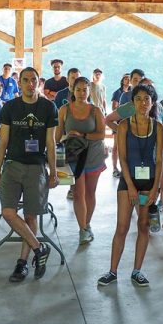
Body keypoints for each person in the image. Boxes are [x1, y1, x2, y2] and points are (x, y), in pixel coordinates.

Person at [0, 67, 58, 282]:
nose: (29, 84)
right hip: (12, 165)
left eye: (33, 80)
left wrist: (53, 172)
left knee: (30, 215)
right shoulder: (10, 107)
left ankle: (22, 263)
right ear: (19, 83)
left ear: (39, 83)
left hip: (36, 166)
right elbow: (4, 142)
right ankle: (40, 248)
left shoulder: (48, 107)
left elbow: (50, 142)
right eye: (25, 80)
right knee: (8, 212)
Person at [98, 84, 163, 287]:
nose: (143, 103)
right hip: (129, 182)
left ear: (152, 102)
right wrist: (130, 186)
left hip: (148, 182)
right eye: (138, 99)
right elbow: (123, 160)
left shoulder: (158, 127)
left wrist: (155, 188)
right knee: (122, 226)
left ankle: (137, 271)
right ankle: (112, 271)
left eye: (147, 99)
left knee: (143, 225)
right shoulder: (125, 125)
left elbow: (160, 160)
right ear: (132, 102)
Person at [57, 76, 107, 244]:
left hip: (93, 155)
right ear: (73, 90)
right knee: (78, 193)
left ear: (89, 91)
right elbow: (57, 135)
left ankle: (87, 224)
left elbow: (101, 134)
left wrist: (82, 135)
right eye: (78, 89)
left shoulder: (95, 110)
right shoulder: (64, 110)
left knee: (90, 192)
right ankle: (82, 229)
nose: (81, 93)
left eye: (84, 89)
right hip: (73, 157)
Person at [109, 74, 130, 178]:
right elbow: (114, 108)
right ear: (122, 80)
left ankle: (124, 168)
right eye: (126, 78)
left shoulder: (132, 93)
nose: (128, 80)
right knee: (116, 146)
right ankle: (114, 168)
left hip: (129, 123)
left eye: (129, 78)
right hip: (119, 122)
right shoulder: (118, 93)